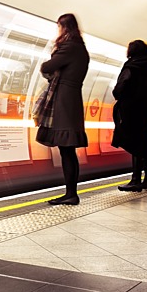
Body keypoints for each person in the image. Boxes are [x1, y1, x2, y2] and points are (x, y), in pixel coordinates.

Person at [36, 13, 90, 205]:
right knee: (68, 150)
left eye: (59, 26)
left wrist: (47, 66)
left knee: (66, 150)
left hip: (64, 101)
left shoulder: (69, 47)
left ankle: (71, 194)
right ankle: (71, 192)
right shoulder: (81, 48)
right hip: (71, 99)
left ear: (64, 27)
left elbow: (48, 66)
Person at [111, 40, 147, 192]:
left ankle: (136, 179)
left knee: (135, 144)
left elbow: (119, 89)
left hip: (132, 111)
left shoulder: (131, 66)